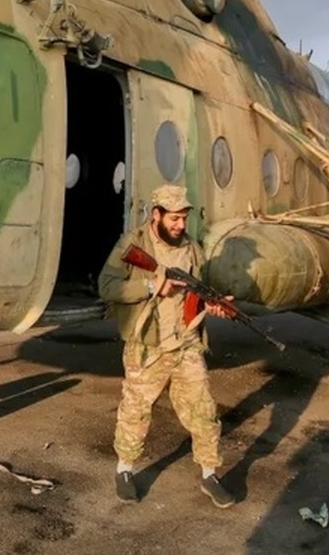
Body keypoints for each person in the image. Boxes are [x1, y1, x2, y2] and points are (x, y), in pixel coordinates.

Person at [98, 184, 236, 508]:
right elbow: (107, 286)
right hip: (149, 344)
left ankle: (209, 474)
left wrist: (212, 304)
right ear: (156, 215)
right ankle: (124, 470)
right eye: (174, 218)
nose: (180, 225)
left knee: (204, 411)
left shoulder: (191, 249)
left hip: (186, 343)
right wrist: (151, 286)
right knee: (135, 411)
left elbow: (197, 291)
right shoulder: (134, 244)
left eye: (184, 218)